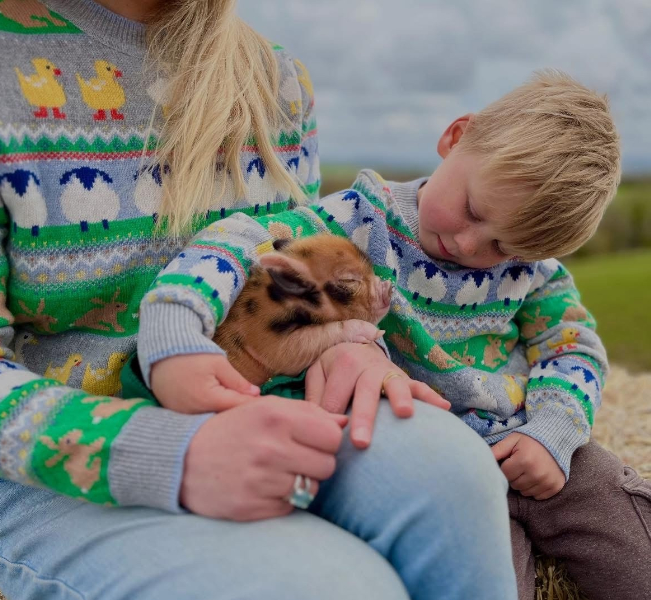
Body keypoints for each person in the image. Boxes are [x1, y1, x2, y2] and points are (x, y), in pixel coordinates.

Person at [0, 1, 519, 599]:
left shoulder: (274, 78)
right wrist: (171, 453)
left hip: (261, 405)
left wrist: (343, 345)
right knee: (340, 589)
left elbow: (297, 266)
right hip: (50, 466)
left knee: (455, 475)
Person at [139, 71, 651, 599]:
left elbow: (572, 344)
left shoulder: (533, 272)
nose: (469, 246)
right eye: (472, 209)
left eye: (504, 247)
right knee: (478, 566)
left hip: (525, 438)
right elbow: (236, 241)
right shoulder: (358, 222)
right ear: (456, 137)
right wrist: (176, 323)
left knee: (620, 509)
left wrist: (554, 431)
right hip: (434, 463)